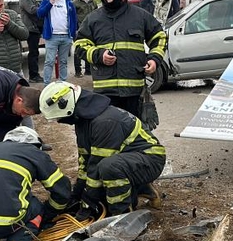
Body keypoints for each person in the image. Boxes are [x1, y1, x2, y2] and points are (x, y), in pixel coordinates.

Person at [39, 82, 164, 218]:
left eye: (59, 117)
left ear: (66, 106)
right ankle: (142, 188)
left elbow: (97, 165)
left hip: (151, 158)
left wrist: (88, 203)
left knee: (108, 169)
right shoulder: (84, 120)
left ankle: (122, 215)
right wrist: (77, 194)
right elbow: (85, 160)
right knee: (105, 181)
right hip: (127, 159)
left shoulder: (105, 122)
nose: (59, 121)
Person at [74, 0, 167, 118]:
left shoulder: (140, 16)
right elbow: (79, 45)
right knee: (110, 137)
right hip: (105, 95)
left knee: (135, 137)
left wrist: (155, 59)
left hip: (134, 93)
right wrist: (99, 55)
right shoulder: (93, 19)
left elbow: (160, 37)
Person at [37, 0, 78, 85]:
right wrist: (50, 4)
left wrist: (72, 34)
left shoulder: (68, 2)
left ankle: (63, 83)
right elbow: (40, 14)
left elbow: (74, 19)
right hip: (52, 37)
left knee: (63, 62)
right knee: (49, 62)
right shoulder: (46, 1)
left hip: (66, 36)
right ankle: (47, 84)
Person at [18, 0, 44, 82]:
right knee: (33, 53)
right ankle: (33, 75)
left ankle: (35, 74)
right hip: (31, 29)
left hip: (34, 28)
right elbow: (32, 10)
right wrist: (43, 8)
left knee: (35, 52)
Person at [73, 0, 98, 77]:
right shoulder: (75, 3)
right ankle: (78, 71)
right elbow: (72, 17)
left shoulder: (93, 2)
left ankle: (88, 70)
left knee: (90, 48)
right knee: (78, 50)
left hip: (91, 30)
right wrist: (74, 29)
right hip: (79, 30)